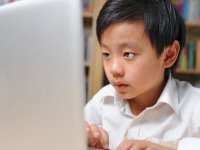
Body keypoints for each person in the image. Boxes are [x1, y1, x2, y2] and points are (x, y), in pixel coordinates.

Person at [84, 0, 200, 150]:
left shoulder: (194, 104)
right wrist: (84, 137)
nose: (114, 69)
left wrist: (172, 147)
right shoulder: (103, 101)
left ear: (168, 56)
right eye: (106, 54)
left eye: (128, 54)